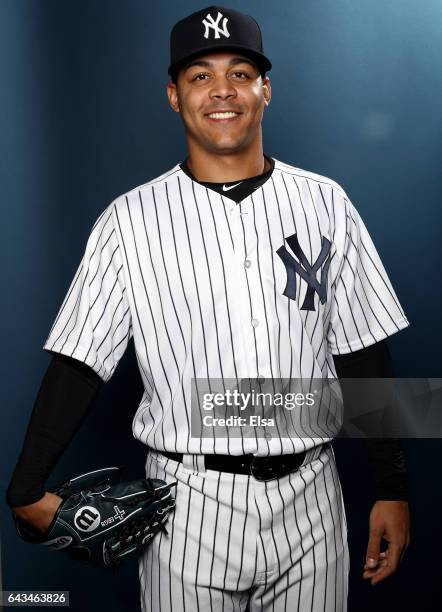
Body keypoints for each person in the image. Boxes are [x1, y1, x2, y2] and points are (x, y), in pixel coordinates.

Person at [6, 6, 410, 611]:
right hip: (187, 504)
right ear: (174, 96)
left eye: (241, 72)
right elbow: (80, 361)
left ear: (265, 90)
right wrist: (25, 486)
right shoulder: (130, 221)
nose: (222, 90)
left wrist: (391, 485)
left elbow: (363, 349)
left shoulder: (327, 203)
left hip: (313, 498)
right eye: (200, 76)